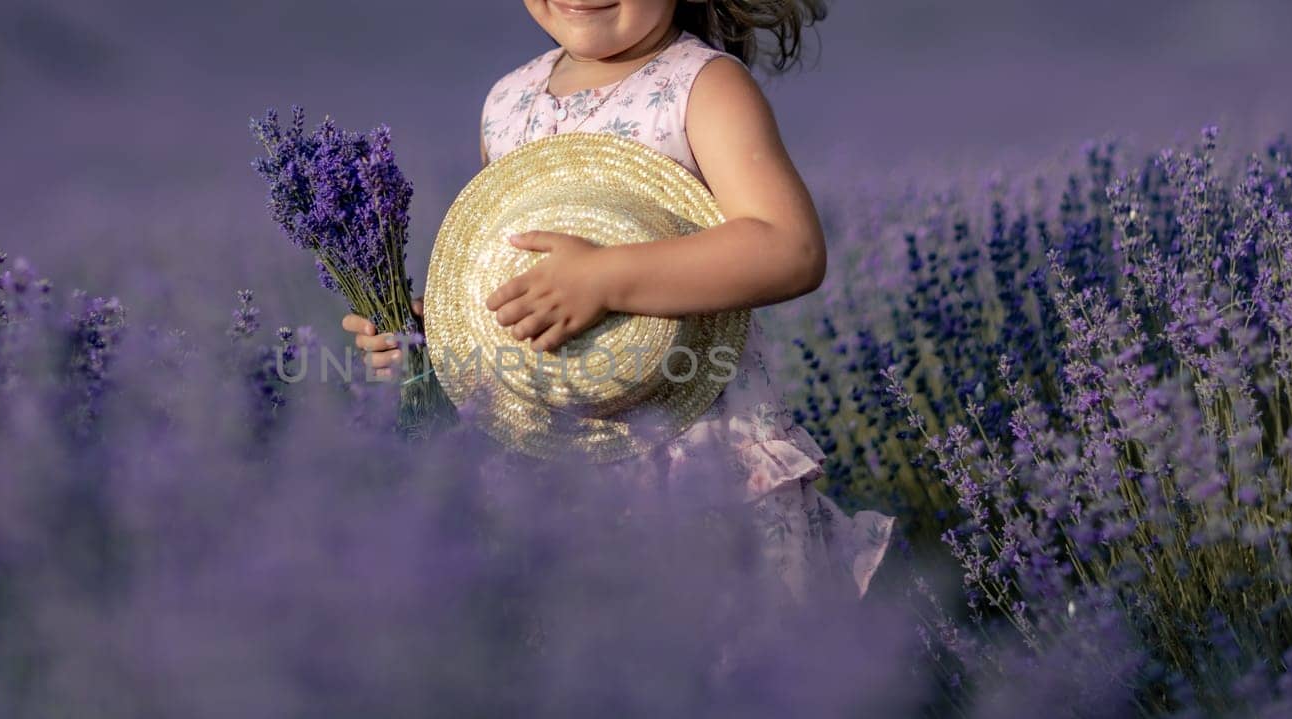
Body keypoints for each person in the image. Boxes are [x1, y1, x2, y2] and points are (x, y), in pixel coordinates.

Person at [340, 0, 893, 602]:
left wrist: (606, 278)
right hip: (553, 466)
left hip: (700, 452)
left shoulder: (702, 88)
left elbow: (790, 248)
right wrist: (434, 337)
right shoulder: (507, 105)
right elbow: (515, 275)